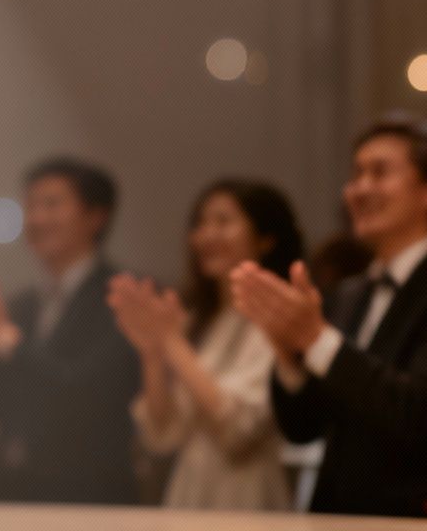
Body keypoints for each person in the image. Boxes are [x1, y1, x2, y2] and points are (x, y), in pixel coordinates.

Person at [235, 116, 427, 518]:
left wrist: (315, 340)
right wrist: (287, 355)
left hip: (418, 530)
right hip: (337, 522)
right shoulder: (351, 294)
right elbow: (304, 428)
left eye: (379, 173)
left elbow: (419, 413)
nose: (359, 189)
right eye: (356, 174)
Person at [0, 157, 141, 504]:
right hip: (11, 493)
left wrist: (1, 336)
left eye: (52, 205)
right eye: (30, 206)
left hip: (88, 497)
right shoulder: (21, 305)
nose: (37, 219)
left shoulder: (125, 300)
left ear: (95, 216)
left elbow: (84, 397)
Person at [108, 180, 302, 510]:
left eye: (223, 222)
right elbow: (163, 433)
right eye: (200, 223)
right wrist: (153, 353)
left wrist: (171, 342)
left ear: (266, 238)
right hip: (192, 489)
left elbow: (238, 428)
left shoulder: (277, 316)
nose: (206, 235)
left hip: (246, 496)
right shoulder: (206, 319)